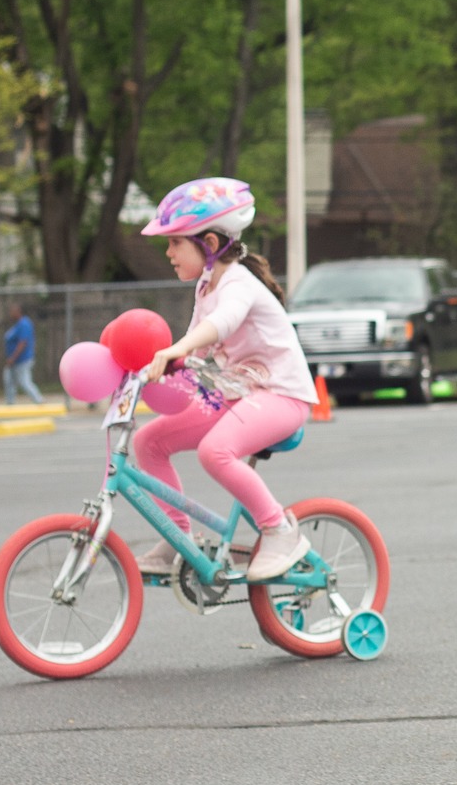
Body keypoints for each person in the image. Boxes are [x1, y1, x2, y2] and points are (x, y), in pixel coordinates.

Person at [133, 177, 318, 582]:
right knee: (148, 441)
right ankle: (176, 538)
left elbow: (220, 324)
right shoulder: (206, 284)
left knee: (215, 451)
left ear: (211, 244)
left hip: (281, 396)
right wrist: (143, 370)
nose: (168, 253)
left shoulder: (238, 283)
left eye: (175, 242)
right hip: (239, 394)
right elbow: (197, 352)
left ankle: (279, 530)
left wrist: (175, 350)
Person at [2, 303, 41, 405]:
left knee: (24, 381)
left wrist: (13, 357)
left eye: (12, 311)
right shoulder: (17, 325)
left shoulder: (24, 324)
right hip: (14, 361)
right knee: (9, 381)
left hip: (22, 359)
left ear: (18, 311)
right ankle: (10, 403)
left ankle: (39, 401)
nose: (10, 314)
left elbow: (22, 343)